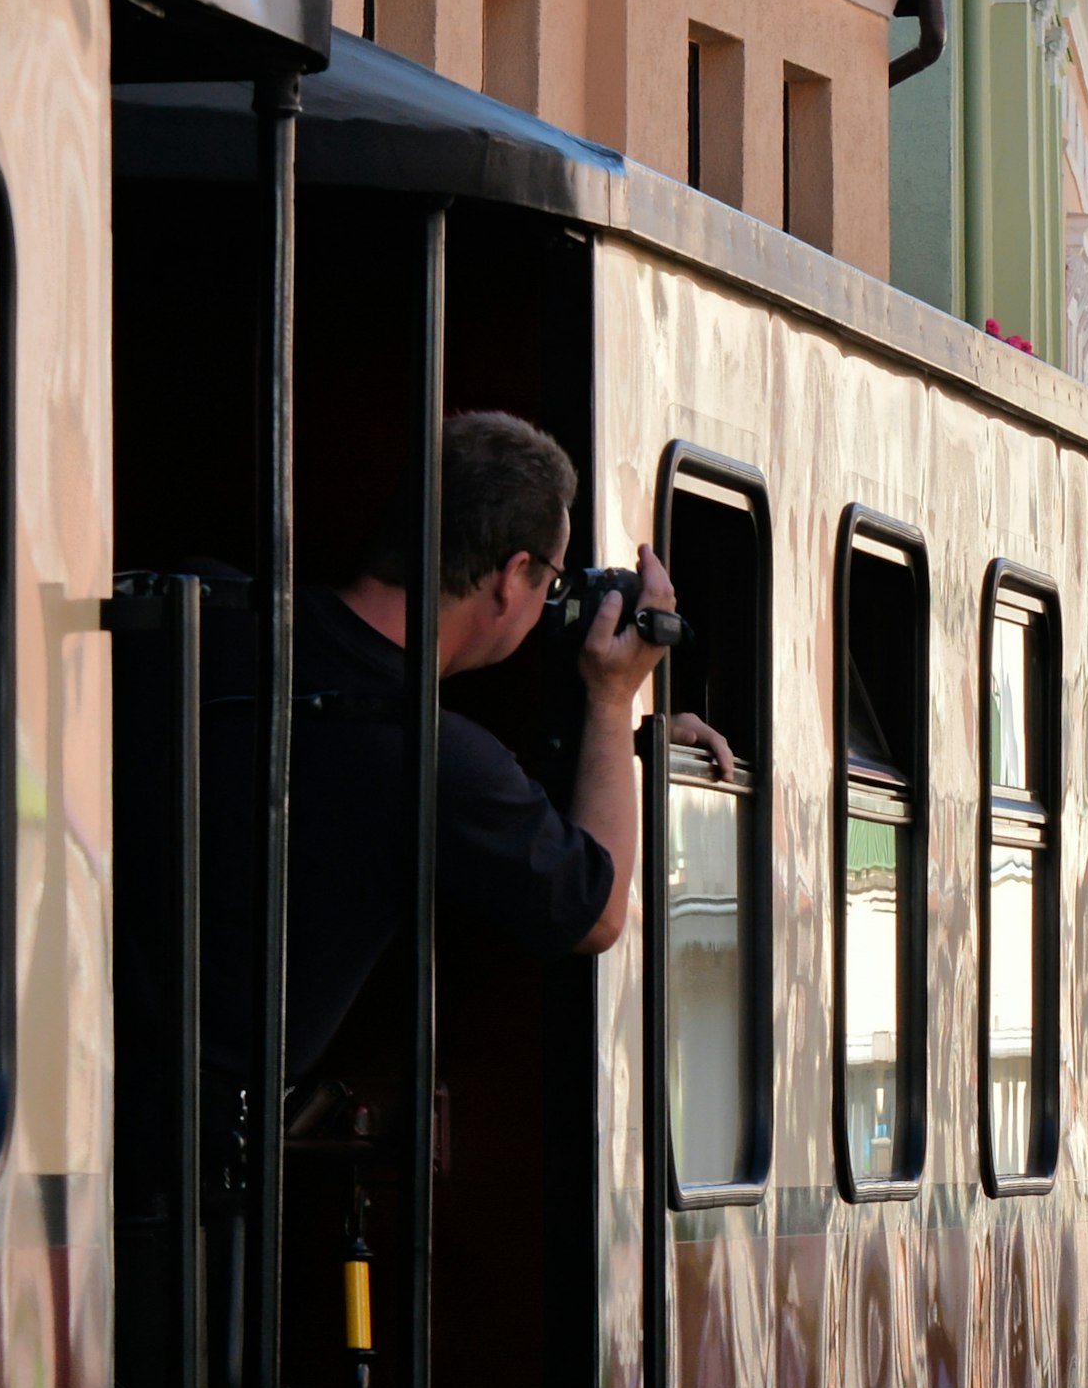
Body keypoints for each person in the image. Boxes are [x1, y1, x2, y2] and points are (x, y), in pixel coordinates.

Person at [201, 408, 736, 1083]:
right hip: (199, 1148)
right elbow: (596, 915)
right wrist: (610, 701)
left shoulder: (210, 615)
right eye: (554, 581)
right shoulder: (438, 761)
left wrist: (625, 743)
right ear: (513, 577)